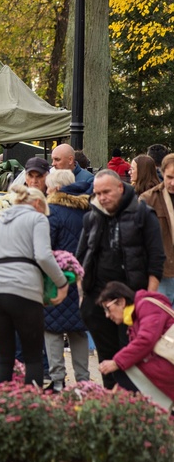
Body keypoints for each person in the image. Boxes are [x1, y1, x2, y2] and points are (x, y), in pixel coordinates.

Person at [76, 169, 165, 388]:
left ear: (120, 187)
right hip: (96, 297)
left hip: (132, 297)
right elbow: (80, 257)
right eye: (97, 193)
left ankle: (131, 404)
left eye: (106, 192)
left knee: (131, 356)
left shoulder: (143, 213)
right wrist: (82, 295)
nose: (102, 197)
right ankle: (111, 403)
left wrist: (147, 298)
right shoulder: (92, 216)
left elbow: (156, 259)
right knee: (106, 356)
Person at [0, 185, 69, 385]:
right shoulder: (36, 218)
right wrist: (61, 282)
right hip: (23, 288)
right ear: (38, 204)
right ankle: (31, 407)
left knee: (4, 358)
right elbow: (43, 256)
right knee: (33, 357)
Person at [43, 169, 91, 392]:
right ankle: (83, 379)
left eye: (49, 187)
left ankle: (59, 380)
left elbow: (46, 247)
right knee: (78, 330)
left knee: (52, 329)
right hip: (82, 278)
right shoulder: (87, 210)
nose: (46, 190)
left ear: (57, 189)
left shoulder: (51, 211)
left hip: (57, 277)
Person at [97, 282, 174, 408]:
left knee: (122, 370)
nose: (107, 315)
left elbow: (146, 340)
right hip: (166, 365)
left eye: (107, 308)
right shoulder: (134, 318)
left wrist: (116, 362)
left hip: (168, 366)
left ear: (121, 302)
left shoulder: (146, 306)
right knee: (123, 372)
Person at [139, 152, 174, 304]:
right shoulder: (148, 199)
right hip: (162, 271)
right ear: (162, 173)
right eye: (170, 177)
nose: (173, 183)